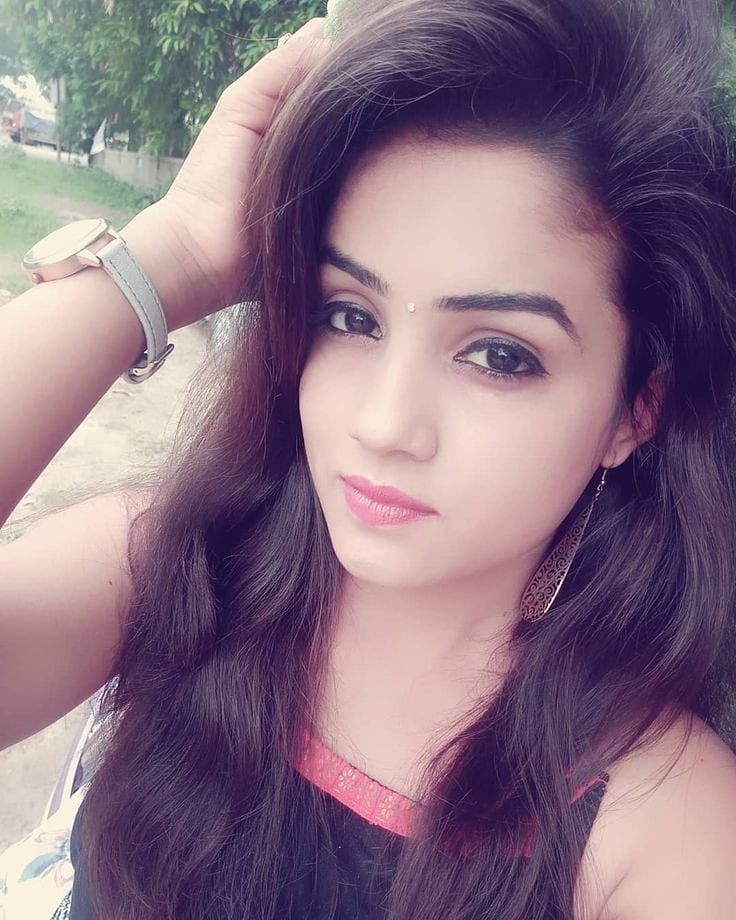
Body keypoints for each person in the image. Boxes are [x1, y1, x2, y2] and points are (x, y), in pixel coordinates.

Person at [2, 0, 736, 917]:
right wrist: (170, 256)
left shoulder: (667, 830)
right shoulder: (173, 569)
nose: (386, 424)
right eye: (352, 316)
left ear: (634, 412)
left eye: (498, 355)